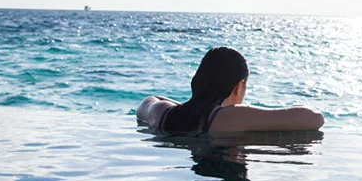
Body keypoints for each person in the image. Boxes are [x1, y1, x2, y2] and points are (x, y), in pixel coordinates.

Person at [137, 46, 325, 134]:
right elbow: (315, 119)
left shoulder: (161, 112)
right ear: (239, 86)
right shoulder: (230, 117)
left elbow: (150, 100)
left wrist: (192, 106)